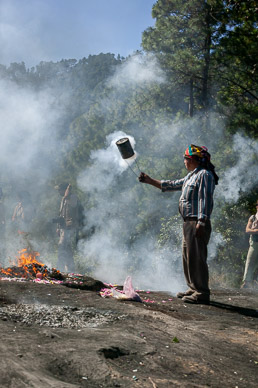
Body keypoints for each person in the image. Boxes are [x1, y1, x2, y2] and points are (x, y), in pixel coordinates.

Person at [138, 144, 219, 304]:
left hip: (197, 221)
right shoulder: (191, 176)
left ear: (194, 160)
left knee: (197, 257)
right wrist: (149, 180)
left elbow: (205, 198)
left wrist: (202, 221)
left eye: (186, 159)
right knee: (188, 256)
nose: (184, 161)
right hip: (188, 222)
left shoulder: (204, 175)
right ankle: (193, 287)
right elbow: (172, 184)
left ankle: (201, 292)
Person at [54, 183, 80, 273]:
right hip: (63, 227)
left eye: (60, 190)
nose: (58, 192)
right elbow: (61, 214)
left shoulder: (72, 197)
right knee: (67, 248)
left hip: (69, 227)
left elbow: (73, 205)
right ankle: (70, 269)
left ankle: (59, 269)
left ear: (65, 190)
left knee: (62, 246)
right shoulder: (63, 199)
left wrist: (67, 193)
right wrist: (58, 227)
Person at [241, 200, 258, 288]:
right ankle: (246, 283)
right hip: (254, 243)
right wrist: (255, 230)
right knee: (249, 262)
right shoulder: (253, 217)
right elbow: (247, 230)